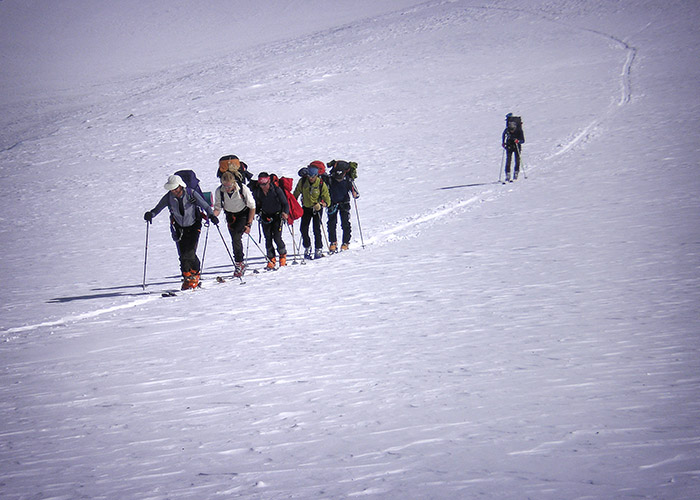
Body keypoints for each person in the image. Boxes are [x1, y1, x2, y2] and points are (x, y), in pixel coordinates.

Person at [144, 174, 218, 290]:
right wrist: (150, 214)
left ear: (180, 186)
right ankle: (187, 277)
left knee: (189, 252)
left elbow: (205, 205)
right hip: (179, 227)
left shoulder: (191, 193)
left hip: (194, 225)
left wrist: (211, 216)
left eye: (175, 188)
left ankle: (195, 274)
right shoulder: (168, 197)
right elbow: (158, 208)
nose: (174, 191)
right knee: (182, 254)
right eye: (172, 189)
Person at [213, 170, 256, 277]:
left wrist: (249, 224)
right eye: (225, 186)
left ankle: (239, 263)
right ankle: (239, 263)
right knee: (234, 239)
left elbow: (252, 206)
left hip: (243, 215)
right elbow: (218, 207)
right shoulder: (219, 191)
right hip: (230, 216)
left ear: (234, 182)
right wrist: (213, 216)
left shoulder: (242, 188)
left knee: (236, 238)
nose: (227, 189)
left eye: (229, 186)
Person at [251, 172, 289, 269]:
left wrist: (285, 212)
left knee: (277, 237)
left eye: (265, 184)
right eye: (261, 184)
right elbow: (255, 204)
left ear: (269, 182)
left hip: (277, 216)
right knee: (268, 238)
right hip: (265, 217)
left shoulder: (276, 190)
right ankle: (271, 258)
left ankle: (282, 255)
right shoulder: (258, 192)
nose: (263, 186)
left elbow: (285, 203)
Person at [293, 162, 330, 259]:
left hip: (317, 209)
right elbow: (296, 193)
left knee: (316, 229)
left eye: (312, 176)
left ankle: (318, 248)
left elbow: (328, 201)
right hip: (306, 208)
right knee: (303, 229)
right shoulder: (303, 181)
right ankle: (307, 246)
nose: (310, 178)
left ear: (316, 175)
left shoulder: (321, 184)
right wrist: (292, 204)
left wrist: (321, 204)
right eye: (309, 176)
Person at [326, 161, 358, 252]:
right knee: (332, 223)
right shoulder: (331, 179)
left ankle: (345, 242)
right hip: (333, 203)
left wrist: (355, 194)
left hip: (343, 203)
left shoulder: (347, 179)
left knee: (344, 223)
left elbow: (355, 191)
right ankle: (334, 242)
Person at [502, 114, 525, 182]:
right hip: (509, 145)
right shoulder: (507, 130)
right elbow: (504, 136)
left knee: (517, 159)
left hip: (516, 146)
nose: (511, 131)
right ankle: (508, 174)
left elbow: (523, 140)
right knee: (508, 160)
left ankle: (516, 173)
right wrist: (503, 143)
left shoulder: (519, 130)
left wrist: (518, 141)